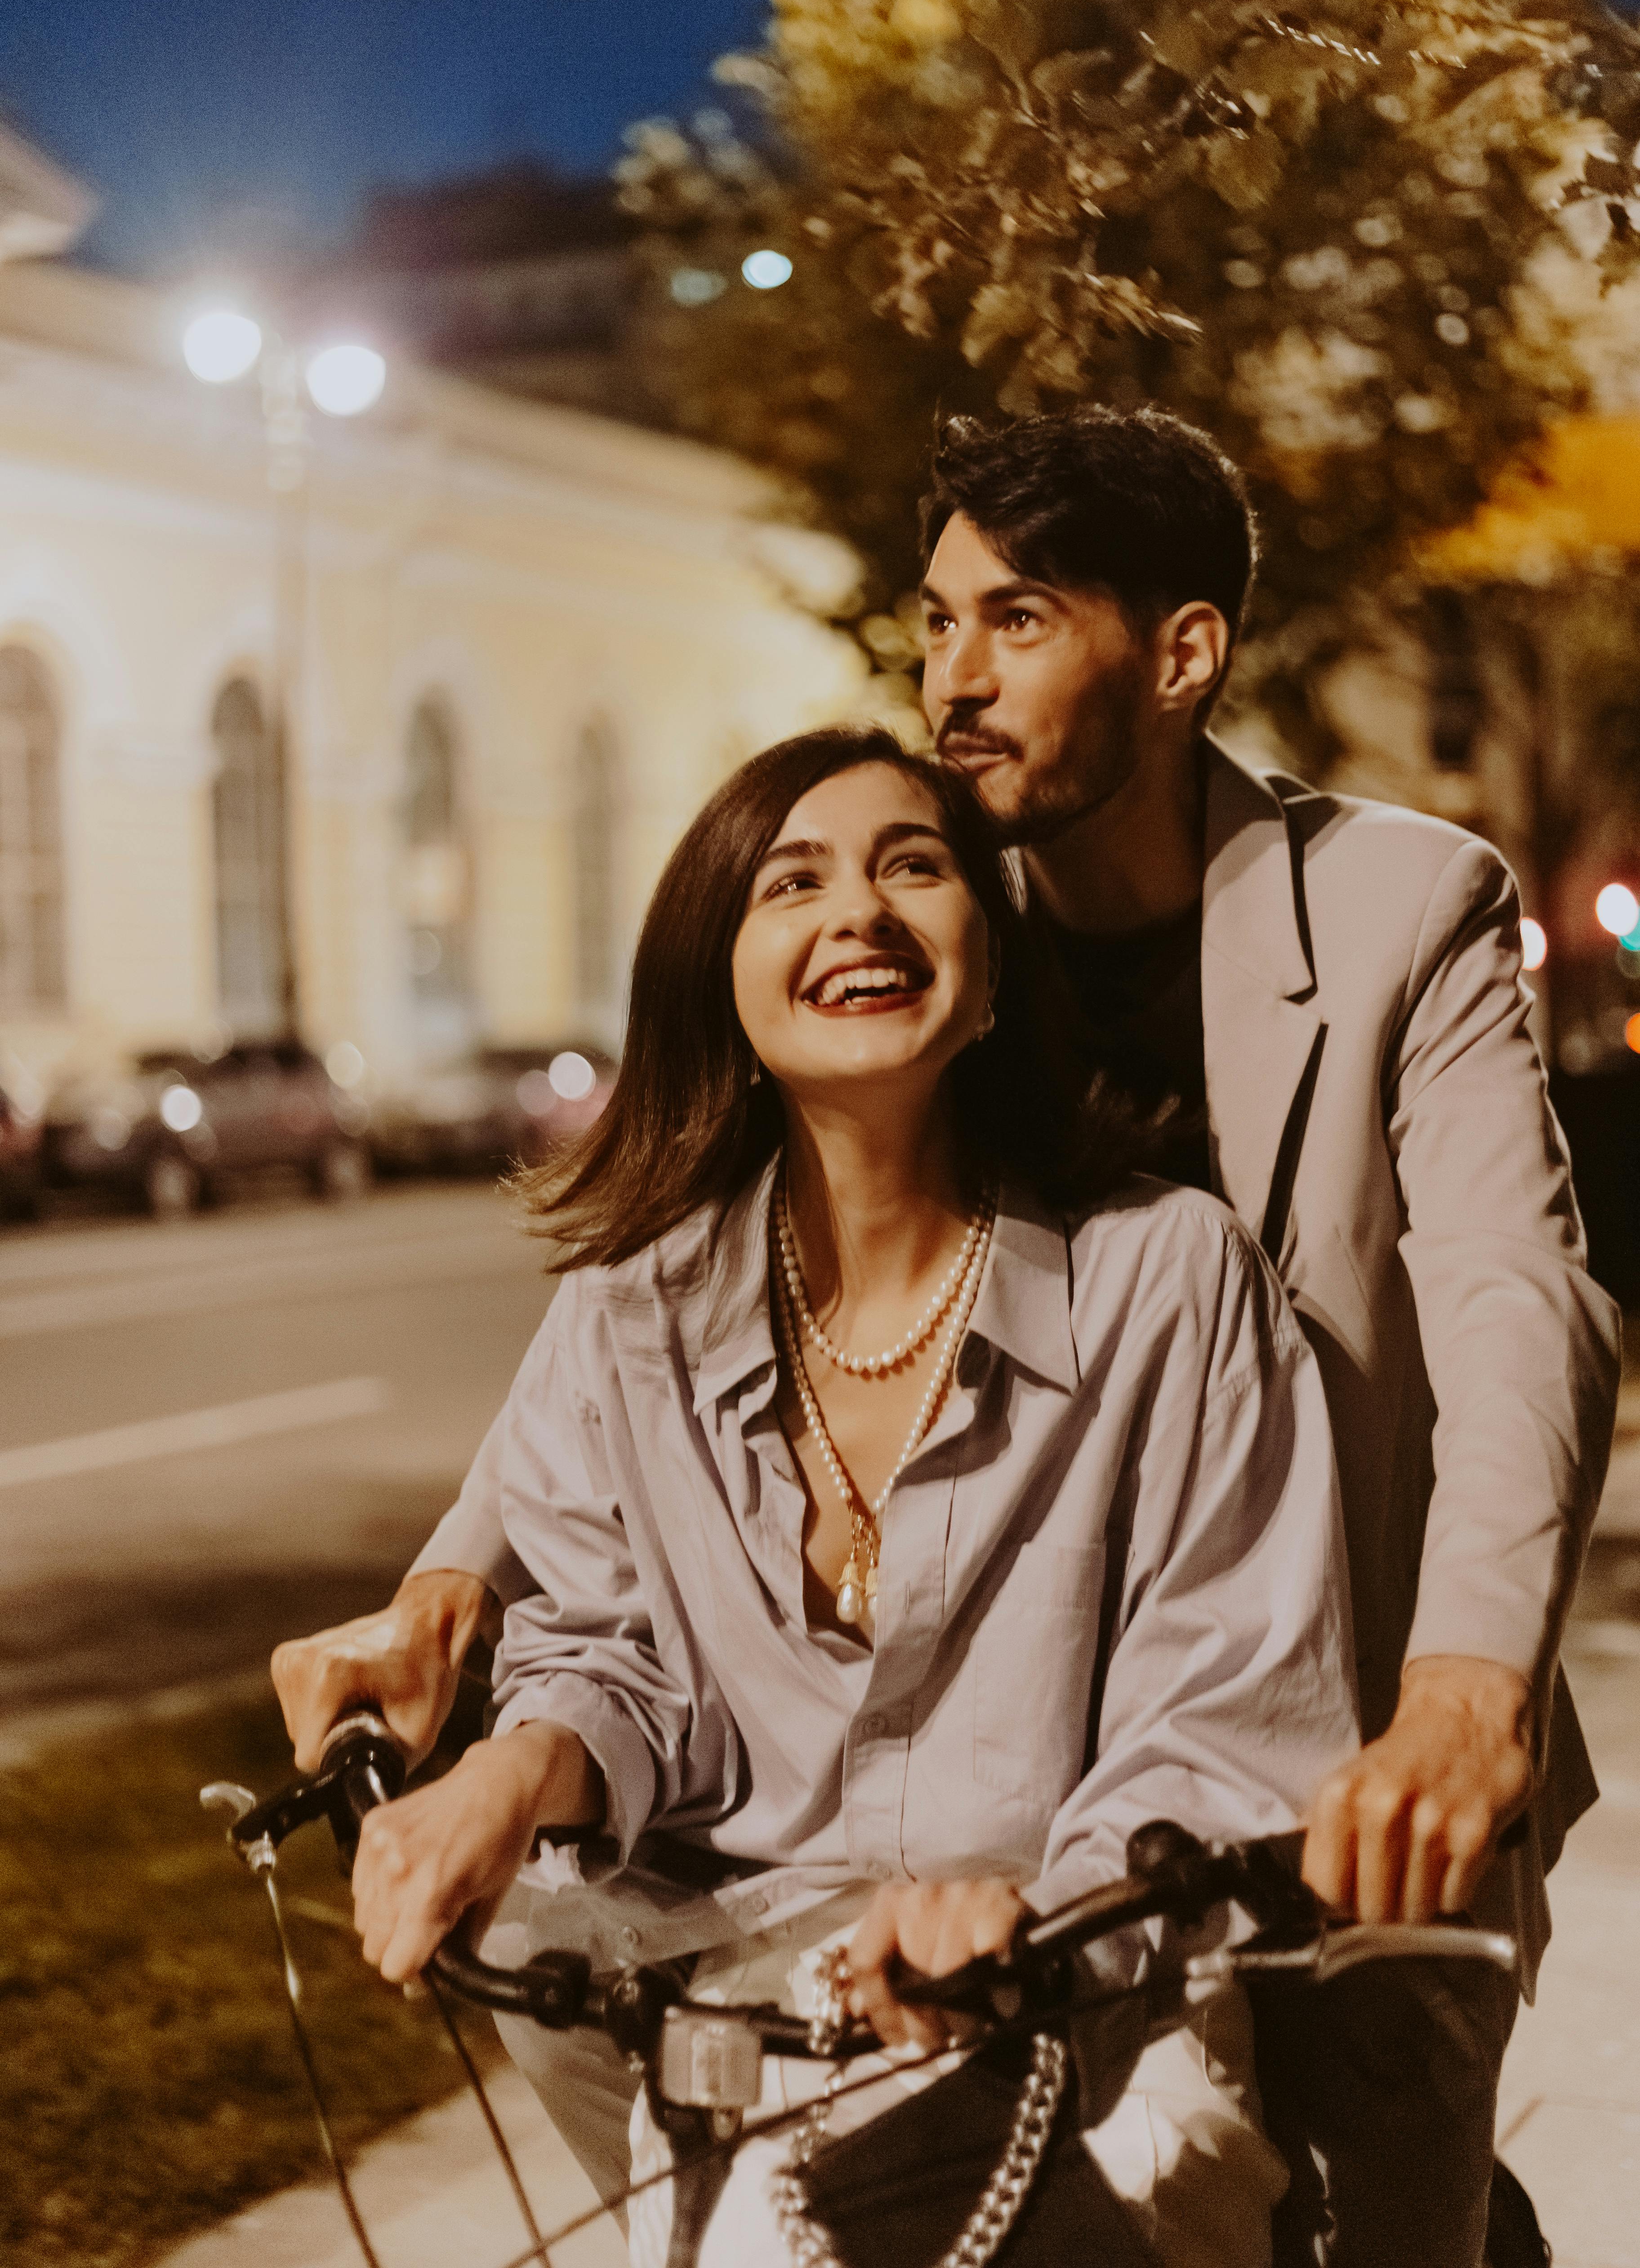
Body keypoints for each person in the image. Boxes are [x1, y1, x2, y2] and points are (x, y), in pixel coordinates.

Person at [275, 406, 1619, 2264]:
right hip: (1007, 1840)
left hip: (1363, 1696)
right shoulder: (946, 895)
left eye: (1021, 620)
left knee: (1400, 2186)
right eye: (938, 621)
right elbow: (645, 1352)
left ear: (1182, 654)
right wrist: (452, 1589)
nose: (954, 679)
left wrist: (1465, 1694)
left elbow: (1514, 1301)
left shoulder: (1394, 909)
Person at [335, 726, 1359, 2268]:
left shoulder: (1168, 1279)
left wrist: (1028, 1915)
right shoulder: (629, 1319)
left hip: (1092, 2012)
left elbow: (1229, 1715)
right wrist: (510, 1770)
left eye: (915, 867)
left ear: (994, 965)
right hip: (734, 2022)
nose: (859, 915)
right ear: (721, 987)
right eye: (790, 883)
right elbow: (615, 1657)